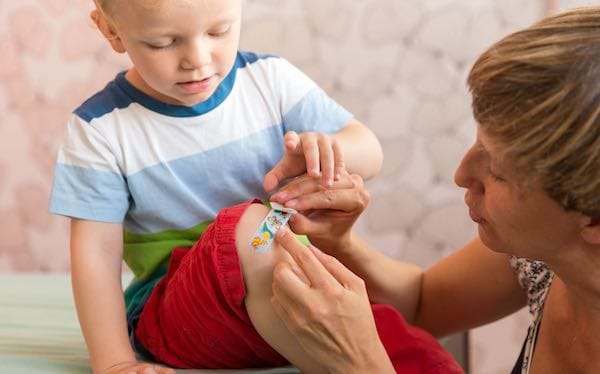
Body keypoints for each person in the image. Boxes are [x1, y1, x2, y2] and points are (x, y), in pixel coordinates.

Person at [48, 0, 388, 373]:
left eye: (218, 32)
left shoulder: (270, 80)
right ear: (112, 31)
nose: (197, 58)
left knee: (413, 346)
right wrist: (114, 363)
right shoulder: (100, 129)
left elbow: (369, 150)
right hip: (182, 316)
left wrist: (327, 150)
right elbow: (95, 254)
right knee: (255, 226)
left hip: (292, 291)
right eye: (163, 43)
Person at [269, 6, 600, 374]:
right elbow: (424, 303)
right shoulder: (540, 260)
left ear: (594, 221)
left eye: (498, 172)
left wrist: (360, 362)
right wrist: (342, 243)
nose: (461, 175)